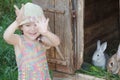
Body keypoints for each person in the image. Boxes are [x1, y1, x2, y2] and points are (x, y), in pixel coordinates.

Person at [3, 2, 60, 80]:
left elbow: (56, 42)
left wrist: (46, 33)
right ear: (21, 27)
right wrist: (16, 22)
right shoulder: (19, 41)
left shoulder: (42, 40)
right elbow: (6, 37)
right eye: (27, 25)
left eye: (36, 25)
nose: (32, 29)